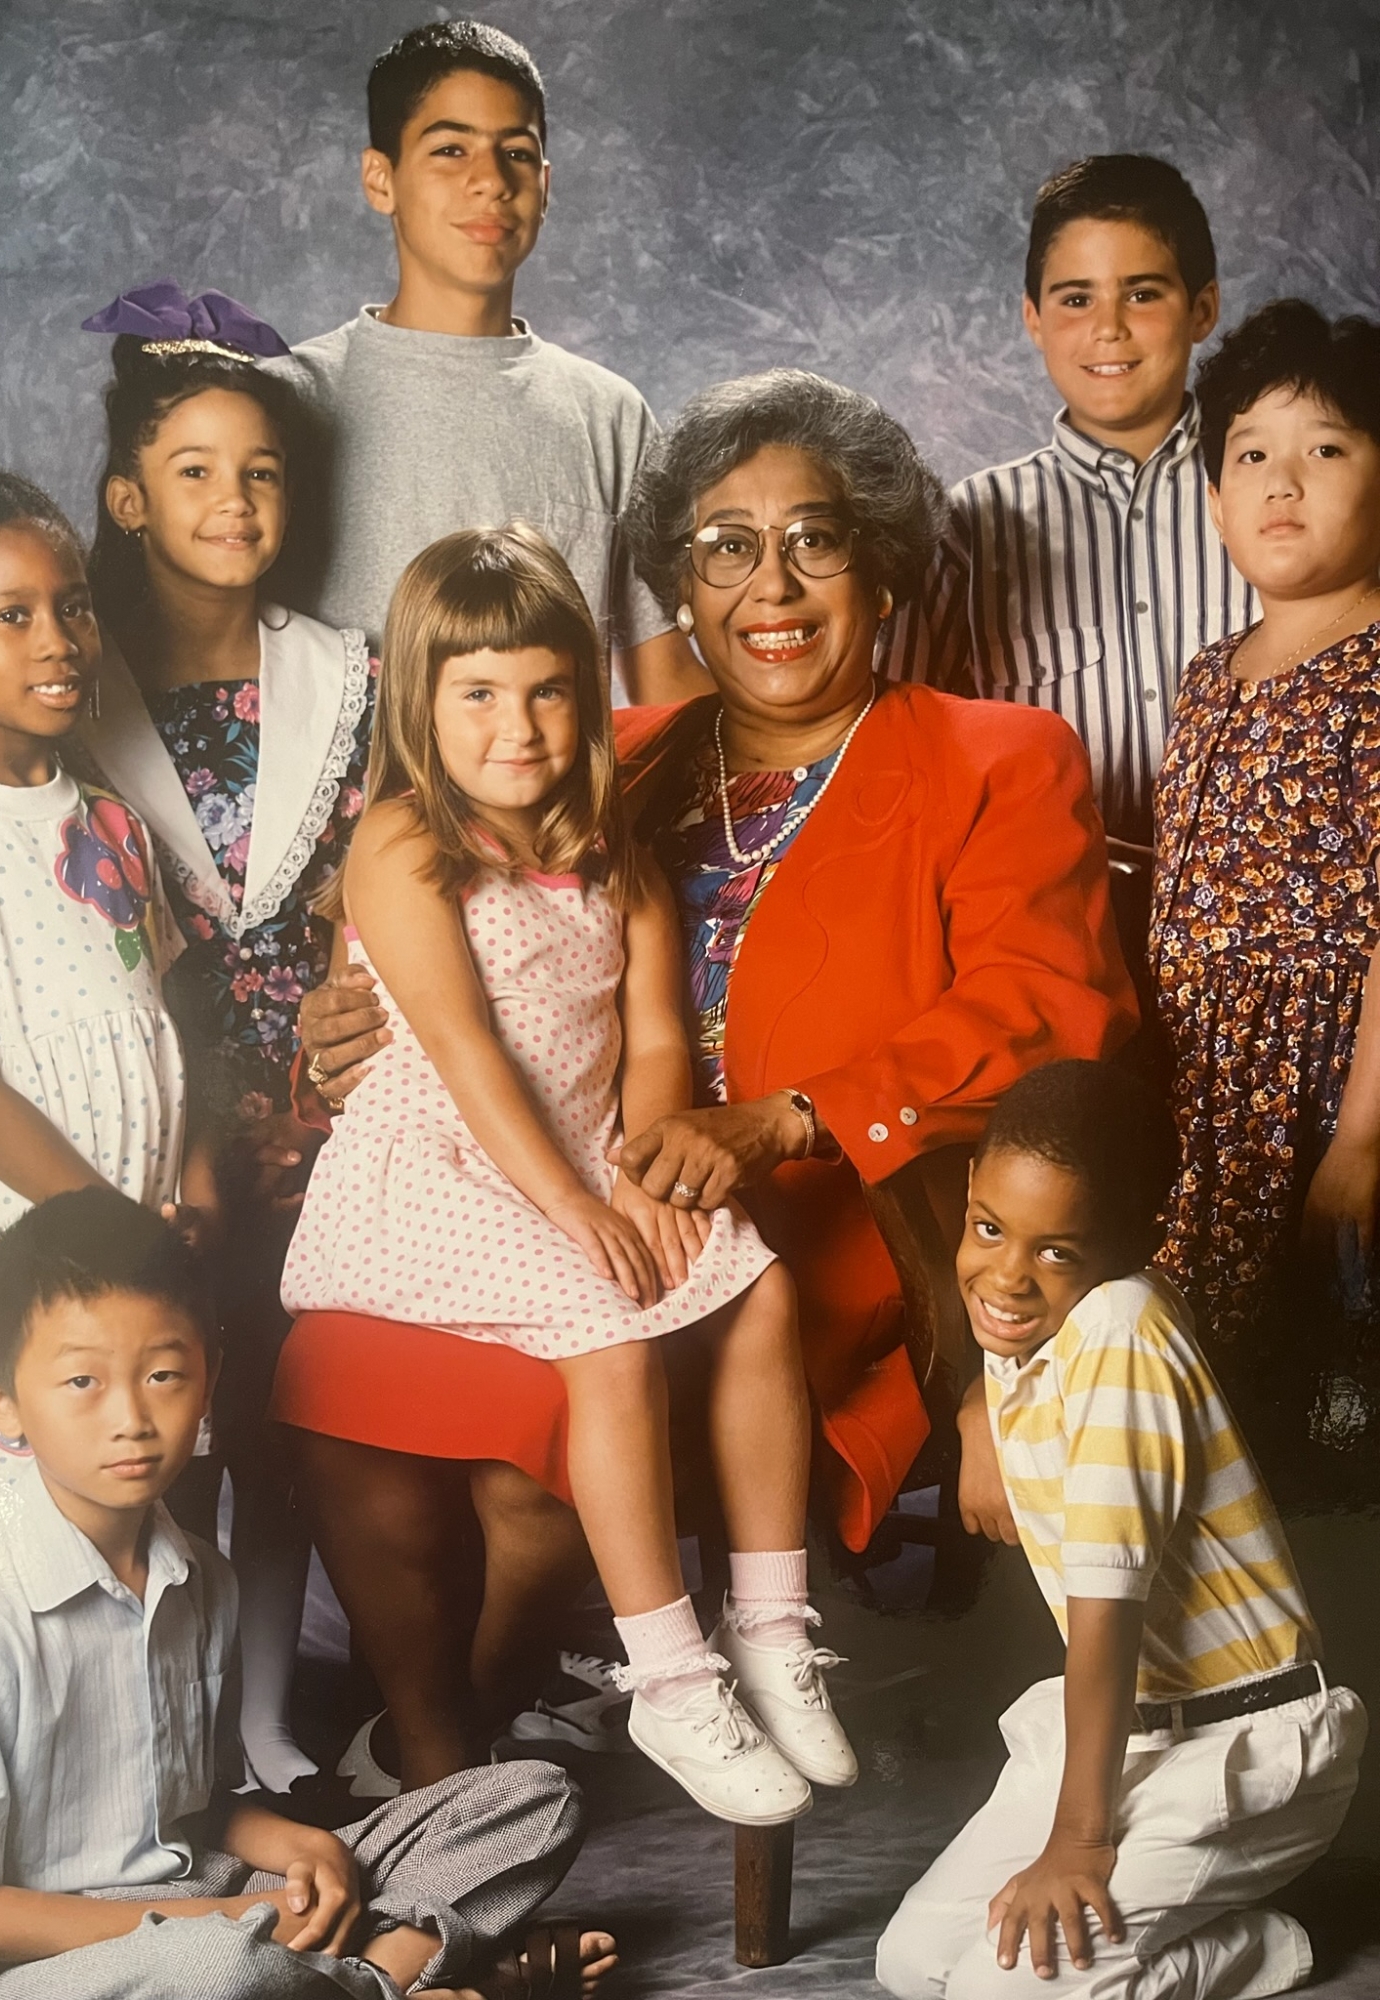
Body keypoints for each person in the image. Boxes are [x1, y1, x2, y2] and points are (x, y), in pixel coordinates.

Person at [289, 369, 1138, 1787]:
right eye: (726, 546)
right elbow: (457, 964)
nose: (772, 584)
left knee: (547, 1438)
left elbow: (1050, 1005)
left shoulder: (997, 757)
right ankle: (460, 1745)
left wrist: (795, 1115)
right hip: (552, 1200)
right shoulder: (599, 756)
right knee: (432, 1424)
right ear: (680, 585)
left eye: (817, 538)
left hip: (842, 1225)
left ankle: (535, 1716)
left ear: (881, 561)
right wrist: (346, 1024)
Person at [283, 520, 850, 1825]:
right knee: (609, 1337)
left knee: (756, 1282)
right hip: (440, 1170)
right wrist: (581, 1210)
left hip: (584, 1157)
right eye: (477, 694)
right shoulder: (404, 844)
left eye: (547, 690)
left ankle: (771, 1619)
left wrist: (648, 1174)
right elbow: (469, 1054)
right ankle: (669, 1671)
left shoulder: (618, 858)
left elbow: (654, 1040)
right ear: (424, 705)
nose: (518, 725)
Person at [0, 1188, 611, 2000]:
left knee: (530, 1799)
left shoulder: (203, 1578)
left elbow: (198, 1811)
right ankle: (395, 1971)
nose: (131, 1417)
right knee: (220, 1967)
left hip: (212, 1898)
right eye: (82, 1380)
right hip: (57, 1964)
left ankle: (358, 1979)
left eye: (163, 1374)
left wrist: (306, 1852)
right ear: (3, 1403)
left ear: (211, 1376)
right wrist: (218, 1924)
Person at [874, 1060, 1366, 2000]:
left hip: (1245, 1745)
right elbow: (1007, 1333)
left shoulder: (1123, 1324)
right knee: (913, 1965)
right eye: (988, 1229)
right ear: (972, 1192)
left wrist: (1079, 1843)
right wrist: (977, 1409)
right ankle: (1223, 1938)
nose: (1008, 1276)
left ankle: (1262, 1950)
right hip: (1121, 1736)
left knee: (997, 1992)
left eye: (1057, 1250)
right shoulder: (1039, 1329)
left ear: (1133, 1244)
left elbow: (1106, 1612)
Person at [76, 280, 376, 1794]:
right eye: (193, 471)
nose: (233, 500)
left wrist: (346, 1010)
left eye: (260, 471)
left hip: (315, 1106)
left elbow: (377, 879)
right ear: (128, 496)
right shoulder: (73, 688)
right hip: (148, 1106)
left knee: (281, 1412)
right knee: (153, 1409)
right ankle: (142, 1718)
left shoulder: (341, 676)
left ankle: (260, 1718)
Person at [0, 468, 182, 1532]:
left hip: (132, 1226)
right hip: (12, 1228)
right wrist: (111, 1233)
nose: (57, 637)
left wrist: (188, 1186)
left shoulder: (111, 820)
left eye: (73, 606)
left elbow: (163, 1027)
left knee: (106, 1508)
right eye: (13, 615)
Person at [879, 154, 1255, 974]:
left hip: (1252, 933)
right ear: (1032, 318)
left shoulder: (1271, 495)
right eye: (1076, 298)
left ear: (1203, 309)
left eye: (1143, 293)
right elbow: (901, 758)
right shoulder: (967, 527)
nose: (1107, 328)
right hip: (1054, 937)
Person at [269, 18, 707, 707]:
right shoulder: (288, 398)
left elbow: (668, 689)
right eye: (450, 149)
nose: (490, 182)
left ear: (546, 182)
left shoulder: (609, 416)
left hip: (551, 814)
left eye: (517, 153)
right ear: (380, 179)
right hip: (348, 813)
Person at [1151, 299, 1380, 1494]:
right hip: (1208, 1082)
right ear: (1215, 501)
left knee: (1326, 1395)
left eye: (1327, 448)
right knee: (1209, 1391)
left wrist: (1363, 1129)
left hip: (1333, 1075)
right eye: (1252, 454)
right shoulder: (1208, 675)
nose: (1283, 481)